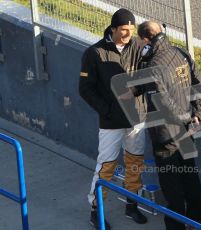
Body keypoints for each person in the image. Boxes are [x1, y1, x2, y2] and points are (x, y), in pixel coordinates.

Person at [79, 8, 147, 229]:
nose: (128, 34)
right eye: (124, 30)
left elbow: (149, 74)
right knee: (106, 165)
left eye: (131, 30)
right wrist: (106, 110)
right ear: (113, 28)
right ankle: (95, 211)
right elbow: (85, 89)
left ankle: (132, 204)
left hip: (137, 118)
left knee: (135, 163)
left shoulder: (138, 47)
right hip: (111, 122)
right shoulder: (94, 53)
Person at [137, 21, 201, 230]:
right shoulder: (180, 53)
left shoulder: (152, 66)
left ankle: (176, 227)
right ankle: (195, 223)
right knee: (190, 177)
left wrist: (185, 117)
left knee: (171, 187)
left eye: (140, 41)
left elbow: (163, 104)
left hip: (165, 135)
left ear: (146, 40)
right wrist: (196, 114)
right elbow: (198, 83)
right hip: (187, 129)